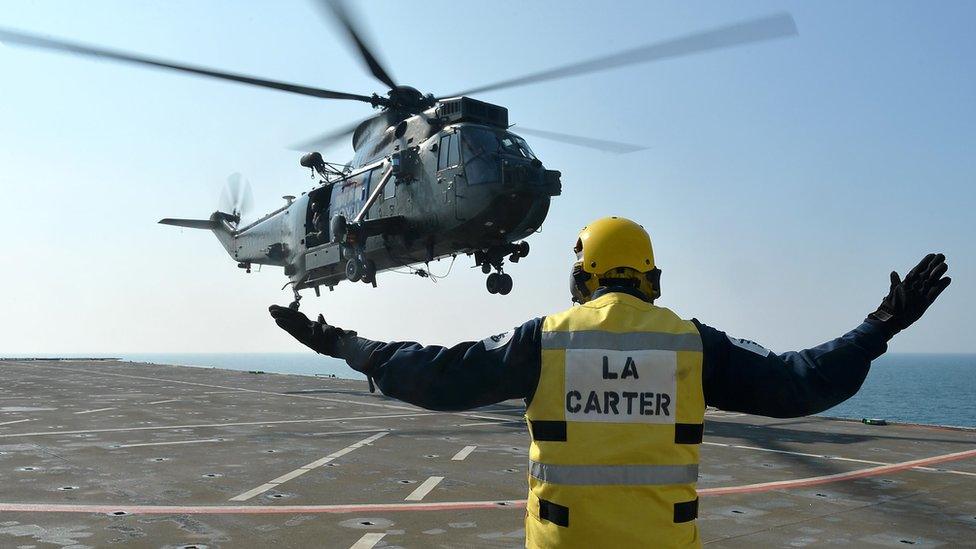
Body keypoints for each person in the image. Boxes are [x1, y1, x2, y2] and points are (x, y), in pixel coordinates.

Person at [269, 216, 951, 549]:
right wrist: (880, 325)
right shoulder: (691, 343)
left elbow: (439, 375)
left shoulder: (547, 339)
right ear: (651, 280)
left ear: (581, 277)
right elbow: (800, 383)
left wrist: (342, 343)